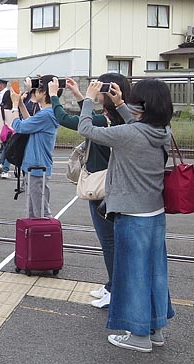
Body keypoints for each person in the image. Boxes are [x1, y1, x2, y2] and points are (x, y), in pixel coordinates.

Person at [78, 78, 174, 353]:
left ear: (142, 104)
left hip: (132, 216)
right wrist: (119, 104)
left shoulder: (128, 135)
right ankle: (155, 331)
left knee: (132, 276)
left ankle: (138, 337)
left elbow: (86, 129)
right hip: (155, 213)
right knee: (154, 274)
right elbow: (137, 125)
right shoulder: (162, 131)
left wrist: (88, 98)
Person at [51, 74, 133, 309]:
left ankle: (116, 290)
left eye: (101, 87)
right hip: (115, 186)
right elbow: (90, 118)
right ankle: (111, 285)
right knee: (114, 242)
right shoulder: (121, 119)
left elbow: (65, 119)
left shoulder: (102, 122)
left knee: (109, 242)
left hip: (101, 188)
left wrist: (55, 95)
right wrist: (79, 96)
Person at [9, 75, 61, 218]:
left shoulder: (46, 114)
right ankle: (35, 239)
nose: (34, 92)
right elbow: (30, 122)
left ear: (44, 93)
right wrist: (20, 104)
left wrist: (14, 106)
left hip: (37, 167)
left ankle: (46, 238)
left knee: (41, 212)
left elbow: (19, 126)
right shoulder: (48, 113)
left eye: (37, 89)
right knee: (33, 212)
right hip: (36, 166)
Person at [0, 90, 14, 178]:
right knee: (9, 151)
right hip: (11, 134)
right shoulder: (14, 109)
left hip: (1, 133)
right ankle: (5, 170)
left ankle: (1, 164)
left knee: (5, 149)